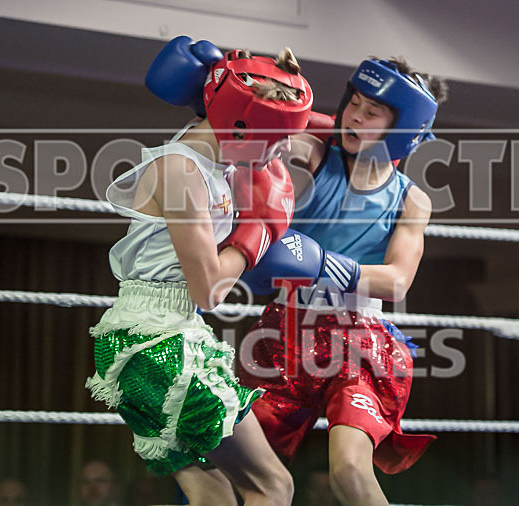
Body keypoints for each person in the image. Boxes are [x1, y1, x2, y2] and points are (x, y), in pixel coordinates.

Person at [190, 57, 447, 506]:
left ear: (401, 130)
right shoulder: (318, 148)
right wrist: (256, 81)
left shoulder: (412, 199)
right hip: (284, 331)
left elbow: (398, 280)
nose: (355, 116)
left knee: (349, 471)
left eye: (373, 112)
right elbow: (257, 124)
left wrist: (321, 263)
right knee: (232, 467)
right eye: (354, 103)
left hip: (359, 341)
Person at [85, 36, 313, 505]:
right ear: (242, 129)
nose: (282, 153)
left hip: (149, 339)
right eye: (273, 143)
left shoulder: (215, 142)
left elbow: (286, 126)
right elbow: (209, 288)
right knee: (273, 485)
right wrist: (258, 237)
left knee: (214, 494)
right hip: (159, 342)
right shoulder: (183, 172)